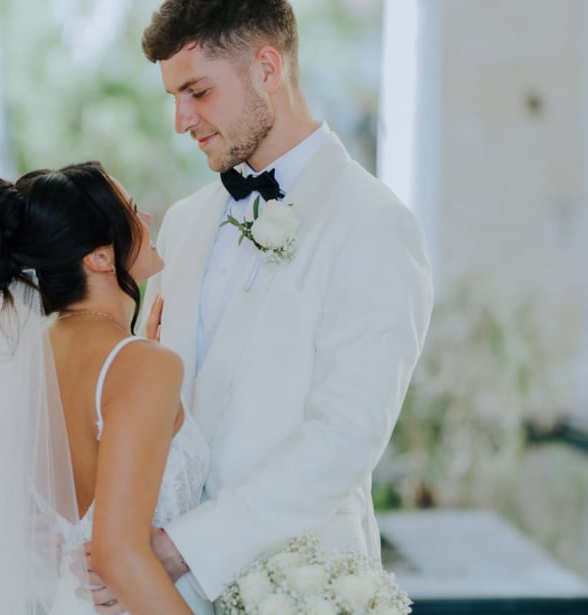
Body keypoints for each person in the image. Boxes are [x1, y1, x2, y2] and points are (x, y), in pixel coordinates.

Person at [91, 0, 434, 612]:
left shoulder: (376, 226)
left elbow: (344, 438)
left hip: (300, 588)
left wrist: (184, 547)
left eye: (197, 91)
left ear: (267, 69)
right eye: (174, 96)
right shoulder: (186, 222)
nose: (180, 119)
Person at [0, 162, 209, 615]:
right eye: (133, 210)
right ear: (100, 257)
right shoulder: (139, 364)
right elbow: (117, 554)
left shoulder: (37, 356)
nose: (145, 220)